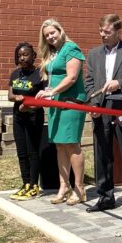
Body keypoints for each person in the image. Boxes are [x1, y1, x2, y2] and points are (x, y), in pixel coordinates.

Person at [84, 14, 122, 213]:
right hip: (100, 108)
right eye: (101, 31)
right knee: (102, 154)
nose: (103, 35)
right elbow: (89, 81)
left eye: (107, 32)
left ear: (118, 32)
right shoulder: (93, 54)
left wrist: (120, 83)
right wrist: (93, 104)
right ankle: (105, 196)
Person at [36, 19, 87, 206]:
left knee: (72, 144)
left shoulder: (70, 48)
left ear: (60, 30)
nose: (50, 37)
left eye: (52, 33)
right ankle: (63, 186)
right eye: (47, 35)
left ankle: (79, 187)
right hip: (56, 103)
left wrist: (52, 91)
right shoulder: (53, 52)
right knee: (59, 145)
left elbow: (72, 77)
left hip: (71, 101)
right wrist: (48, 92)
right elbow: (52, 78)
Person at [8, 42, 46, 201]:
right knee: (21, 152)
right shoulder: (15, 74)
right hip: (18, 116)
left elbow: (44, 98)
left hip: (33, 116)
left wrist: (29, 106)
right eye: (19, 55)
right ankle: (25, 184)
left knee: (32, 151)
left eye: (26, 55)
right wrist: (16, 97)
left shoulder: (40, 75)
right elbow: (10, 95)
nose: (22, 58)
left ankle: (34, 185)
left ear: (33, 56)